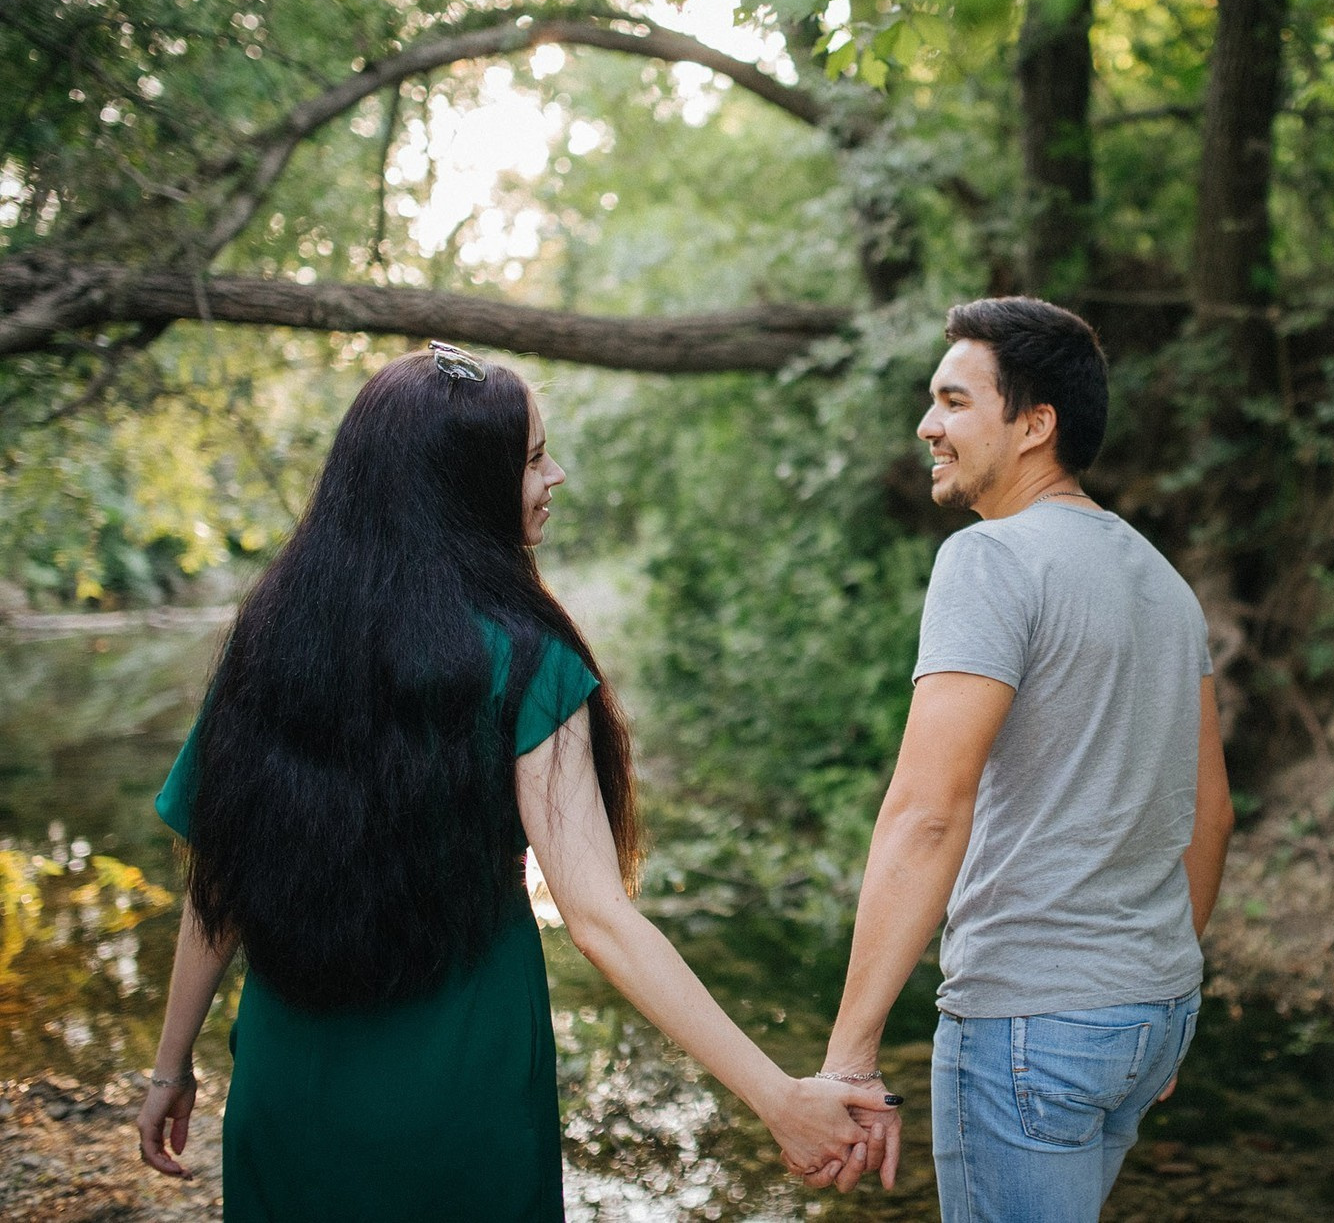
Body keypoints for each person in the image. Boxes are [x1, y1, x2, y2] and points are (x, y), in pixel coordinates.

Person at [134, 342, 890, 1220]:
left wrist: (170, 1067)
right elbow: (600, 918)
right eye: (532, 458)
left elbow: (220, 881)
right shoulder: (527, 662)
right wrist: (776, 1097)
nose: (555, 475)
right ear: (462, 483)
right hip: (463, 1086)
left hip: (289, 1082)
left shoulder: (270, 641)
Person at [812, 297, 1235, 1218]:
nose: (929, 424)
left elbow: (928, 814)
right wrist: (1159, 997)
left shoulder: (990, 560)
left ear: (1035, 424)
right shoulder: (1165, 584)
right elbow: (1212, 816)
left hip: (1030, 1023)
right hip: (1151, 1011)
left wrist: (849, 1055)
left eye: (956, 402)